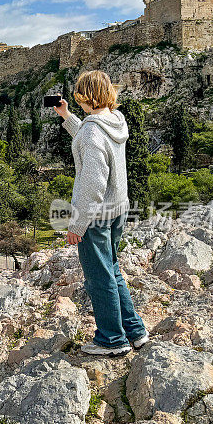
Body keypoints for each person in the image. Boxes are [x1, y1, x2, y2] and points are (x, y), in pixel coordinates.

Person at [53, 70, 148, 357]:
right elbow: (91, 137)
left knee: (99, 277)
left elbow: (92, 184)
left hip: (96, 214)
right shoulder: (115, 120)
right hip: (118, 208)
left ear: (86, 95)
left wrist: (77, 224)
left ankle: (111, 339)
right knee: (113, 270)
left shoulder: (94, 130)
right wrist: (67, 117)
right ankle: (135, 331)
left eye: (78, 95)